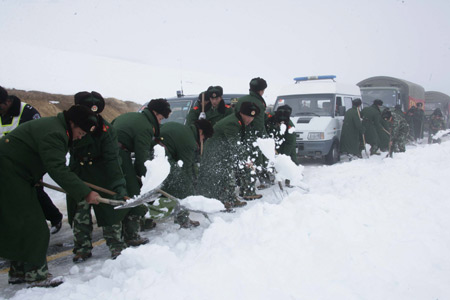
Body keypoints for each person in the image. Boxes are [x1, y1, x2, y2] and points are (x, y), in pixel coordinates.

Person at [0, 105, 99, 287]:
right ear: (72, 123)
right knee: (34, 226)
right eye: (80, 132)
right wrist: (85, 192)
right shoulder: (56, 133)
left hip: (15, 174)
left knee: (20, 224)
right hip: (9, 174)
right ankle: (36, 275)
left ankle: (19, 272)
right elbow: (58, 169)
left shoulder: (55, 127)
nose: (80, 136)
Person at [67, 91, 130, 262]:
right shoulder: (68, 126)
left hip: (102, 173)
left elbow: (112, 159)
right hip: (78, 174)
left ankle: (116, 245)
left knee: (109, 211)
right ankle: (82, 248)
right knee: (80, 213)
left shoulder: (105, 130)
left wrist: (119, 184)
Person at [0, 87, 63, 234]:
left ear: (7, 101)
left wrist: (37, 172)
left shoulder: (27, 112)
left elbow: (39, 142)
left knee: (34, 192)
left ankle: (54, 218)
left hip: (27, 164)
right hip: (6, 163)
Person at [112, 98, 171, 245]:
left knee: (117, 191)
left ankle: (121, 232)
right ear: (154, 112)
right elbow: (141, 160)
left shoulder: (131, 116)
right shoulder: (145, 126)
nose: (160, 122)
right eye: (160, 118)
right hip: (118, 156)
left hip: (110, 155)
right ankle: (131, 236)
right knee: (134, 194)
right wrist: (148, 181)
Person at [197, 101, 260, 209]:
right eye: (247, 116)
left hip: (223, 151)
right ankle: (225, 201)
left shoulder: (239, 121)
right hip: (215, 152)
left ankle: (230, 198)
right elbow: (235, 145)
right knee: (225, 175)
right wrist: (246, 160)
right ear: (241, 113)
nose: (249, 119)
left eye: (252, 117)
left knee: (228, 173)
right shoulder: (233, 123)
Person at [156, 119, 214, 227]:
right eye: (204, 137)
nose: (203, 140)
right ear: (201, 132)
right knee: (182, 185)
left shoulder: (186, 130)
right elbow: (186, 168)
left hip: (157, 154)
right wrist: (191, 187)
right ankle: (182, 219)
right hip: (160, 157)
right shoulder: (190, 141)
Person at [234, 78, 268, 198]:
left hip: (240, 136)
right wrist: (266, 139)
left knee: (243, 162)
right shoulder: (258, 103)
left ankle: (243, 187)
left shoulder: (241, 100)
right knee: (253, 163)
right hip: (252, 138)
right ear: (261, 91)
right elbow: (259, 125)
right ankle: (249, 191)